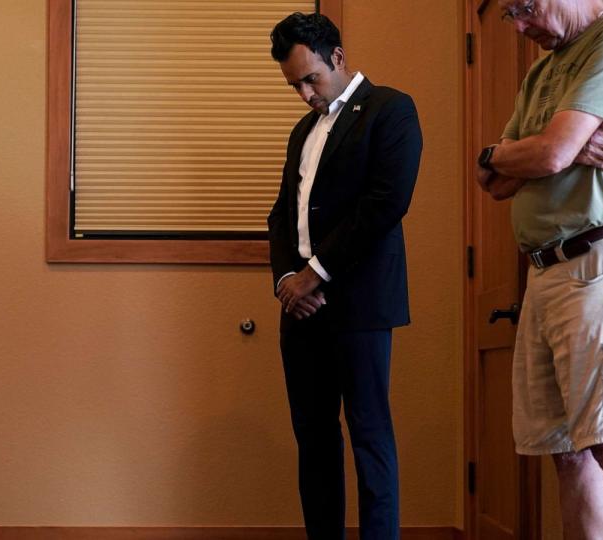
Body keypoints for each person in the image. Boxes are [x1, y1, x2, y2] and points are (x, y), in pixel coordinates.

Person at [476, 1, 603, 537]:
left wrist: (550, 149)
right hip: (545, 273)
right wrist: (514, 152)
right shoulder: (542, 69)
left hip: (602, 265)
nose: (518, 26)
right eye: (510, 15)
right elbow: (489, 178)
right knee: (566, 452)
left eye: (525, 7)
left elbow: (551, 155)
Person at [267, 12, 422, 539]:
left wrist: (316, 274)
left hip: (359, 305)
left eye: (311, 78)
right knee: (313, 440)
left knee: (369, 435)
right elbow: (281, 215)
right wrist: (289, 281)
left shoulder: (390, 109)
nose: (305, 93)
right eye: (294, 85)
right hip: (301, 310)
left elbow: (385, 204)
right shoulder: (302, 132)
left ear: (337, 56)